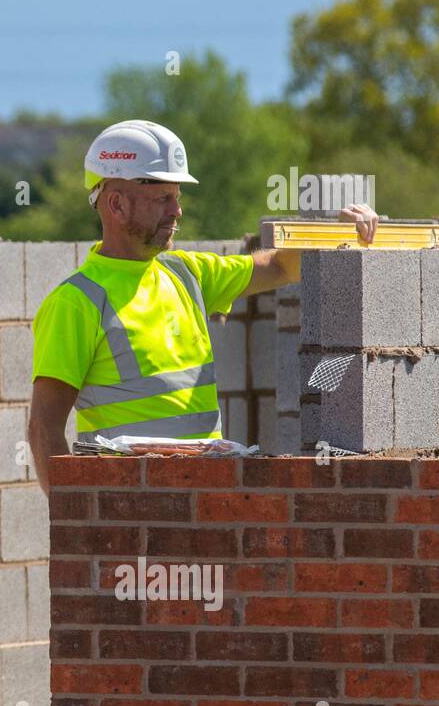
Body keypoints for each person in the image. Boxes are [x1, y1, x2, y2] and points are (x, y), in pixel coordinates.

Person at [28, 119, 378, 494]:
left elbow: (279, 266)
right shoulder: (75, 303)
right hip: (126, 511)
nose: (177, 212)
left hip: (203, 506)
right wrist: (74, 523)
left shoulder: (185, 273)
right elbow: (43, 430)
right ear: (116, 204)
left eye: (177, 197)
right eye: (163, 198)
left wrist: (339, 232)